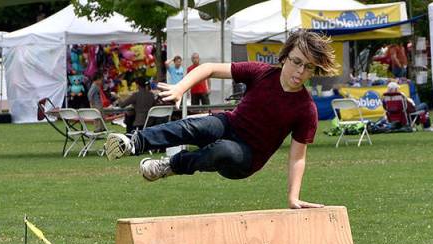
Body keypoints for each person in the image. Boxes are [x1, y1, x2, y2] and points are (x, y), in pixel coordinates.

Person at [104, 29, 337, 210]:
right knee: (195, 125)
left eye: (308, 67)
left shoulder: (306, 109)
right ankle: (133, 142)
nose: (300, 71)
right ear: (285, 57)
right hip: (229, 124)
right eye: (296, 62)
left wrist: (293, 198)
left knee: (222, 149)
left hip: (245, 158)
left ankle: (170, 166)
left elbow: (297, 158)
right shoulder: (262, 72)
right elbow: (209, 68)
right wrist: (181, 88)